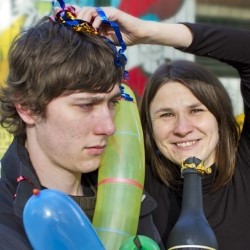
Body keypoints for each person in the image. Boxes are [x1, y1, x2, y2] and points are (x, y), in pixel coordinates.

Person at [77, 6, 250, 250]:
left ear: (219, 117)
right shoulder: (133, 183)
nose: (182, 128)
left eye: (196, 110)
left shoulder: (245, 170)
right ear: (148, 127)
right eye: (166, 114)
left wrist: (146, 33)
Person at [0, 6, 128, 249]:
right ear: (27, 107)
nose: (109, 127)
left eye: (112, 103)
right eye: (86, 105)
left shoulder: (135, 197)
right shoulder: (5, 223)